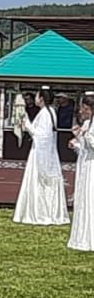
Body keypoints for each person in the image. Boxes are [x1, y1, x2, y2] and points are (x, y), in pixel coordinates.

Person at [15, 88, 70, 226]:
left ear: (41, 99)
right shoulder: (50, 112)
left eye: (37, 96)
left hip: (41, 153)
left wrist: (26, 123)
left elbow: (41, 135)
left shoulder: (46, 113)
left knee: (40, 181)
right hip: (47, 152)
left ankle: (41, 213)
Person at [68, 95, 94, 252]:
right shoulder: (86, 123)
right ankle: (81, 235)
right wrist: (76, 144)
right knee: (83, 197)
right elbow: (84, 148)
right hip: (85, 165)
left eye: (84, 108)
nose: (81, 111)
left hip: (92, 166)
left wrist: (82, 135)